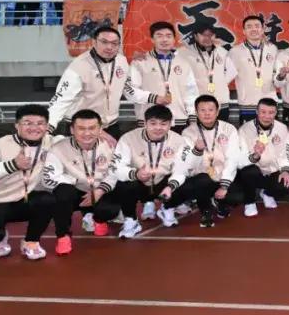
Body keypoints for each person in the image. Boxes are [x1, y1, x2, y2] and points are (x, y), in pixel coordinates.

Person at [0, 104, 56, 261]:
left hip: (21, 201)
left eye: (40, 123)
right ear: (17, 125)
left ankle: (31, 242)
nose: (34, 128)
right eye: (27, 123)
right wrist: (12, 165)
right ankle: (0, 236)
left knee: (47, 200)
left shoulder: (51, 142)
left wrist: (100, 135)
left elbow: (78, 140)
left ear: (47, 126)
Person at [110, 104, 202, 237]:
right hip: (140, 183)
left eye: (163, 124)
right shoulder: (128, 138)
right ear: (145, 123)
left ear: (170, 124)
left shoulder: (179, 141)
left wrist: (171, 186)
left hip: (163, 185)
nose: (158, 128)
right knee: (123, 182)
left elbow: (182, 169)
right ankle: (131, 220)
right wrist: (136, 174)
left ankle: (167, 208)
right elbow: (117, 167)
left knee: (194, 181)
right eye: (153, 123)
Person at [42, 109, 121, 252]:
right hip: (75, 192)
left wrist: (100, 190)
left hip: (100, 191)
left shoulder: (110, 147)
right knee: (62, 193)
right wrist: (76, 180)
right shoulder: (58, 149)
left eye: (92, 128)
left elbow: (116, 173)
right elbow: (48, 178)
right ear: (72, 130)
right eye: (81, 128)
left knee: (111, 208)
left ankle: (98, 218)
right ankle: (63, 236)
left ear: (100, 129)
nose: (87, 133)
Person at [48, 25, 135, 139]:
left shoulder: (122, 61)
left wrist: (152, 97)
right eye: (104, 42)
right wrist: (48, 127)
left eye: (114, 43)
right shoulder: (78, 66)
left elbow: (130, 90)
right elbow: (61, 99)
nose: (109, 47)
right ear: (94, 42)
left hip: (111, 126)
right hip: (82, 127)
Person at [235, 97, 289, 217]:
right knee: (248, 171)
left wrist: (285, 170)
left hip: (273, 170)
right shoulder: (245, 129)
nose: (267, 116)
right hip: (255, 171)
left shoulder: (282, 128)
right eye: (263, 112)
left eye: (271, 112)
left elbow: (285, 153)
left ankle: (267, 193)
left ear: (276, 113)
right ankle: (249, 202)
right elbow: (240, 160)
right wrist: (255, 155)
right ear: (257, 111)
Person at [181, 95, 243, 225]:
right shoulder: (188, 133)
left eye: (210, 110)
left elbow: (232, 158)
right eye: (202, 110)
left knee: (238, 197)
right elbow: (187, 163)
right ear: (196, 112)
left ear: (217, 111)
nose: (207, 113)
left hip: (223, 174)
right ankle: (206, 210)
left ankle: (220, 202)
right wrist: (197, 150)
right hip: (202, 176)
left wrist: (224, 185)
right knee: (201, 180)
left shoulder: (229, 129)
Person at [129, 22, 199, 130]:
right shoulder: (140, 62)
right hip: (151, 121)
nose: (164, 40)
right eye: (159, 36)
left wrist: (193, 118)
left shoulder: (183, 63)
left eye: (168, 36)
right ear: (152, 39)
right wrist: (153, 98)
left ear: (174, 39)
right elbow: (130, 90)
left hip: (179, 120)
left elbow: (191, 92)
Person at [177, 24, 236, 122]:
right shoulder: (184, 53)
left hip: (221, 103)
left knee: (221, 130)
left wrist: (220, 83)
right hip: (198, 103)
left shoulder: (222, 51)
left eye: (210, 35)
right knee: (198, 131)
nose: (207, 38)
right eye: (203, 35)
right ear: (196, 36)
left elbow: (232, 71)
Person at [227, 15, 279, 125]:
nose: (253, 29)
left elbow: (277, 76)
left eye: (257, 26)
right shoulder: (235, 52)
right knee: (248, 134)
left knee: (272, 134)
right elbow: (226, 77)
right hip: (247, 105)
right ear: (244, 31)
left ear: (263, 29)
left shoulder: (273, 49)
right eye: (249, 27)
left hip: (270, 105)